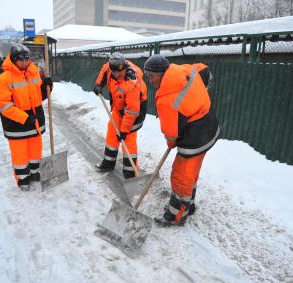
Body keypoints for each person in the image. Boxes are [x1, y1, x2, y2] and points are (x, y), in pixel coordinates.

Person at [143, 54, 220, 226]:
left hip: (196, 137)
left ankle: (175, 216)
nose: (150, 80)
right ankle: (189, 206)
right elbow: (203, 68)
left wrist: (171, 143)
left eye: (152, 76)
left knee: (181, 175)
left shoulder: (166, 99)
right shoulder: (181, 69)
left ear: (162, 73)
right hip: (209, 125)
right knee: (190, 172)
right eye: (147, 76)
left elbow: (171, 135)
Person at [0, 44, 53, 191]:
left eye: (26, 59)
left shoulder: (34, 73)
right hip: (17, 126)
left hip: (34, 123)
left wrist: (47, 87)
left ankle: (35, 174)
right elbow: (4, 105)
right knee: (20, 155)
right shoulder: (4, 79)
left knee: (35, 152)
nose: (24, 62)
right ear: (13, 60)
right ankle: (23, 179)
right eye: (20, 59)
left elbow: (39, 97)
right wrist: (24, 118)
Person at [93, 52, 147, 179]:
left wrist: (124, 130)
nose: (119, 74)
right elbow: (104, 70)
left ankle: (130, 173)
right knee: (112, 134)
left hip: (135, 112)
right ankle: (108, 163)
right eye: (116, 72)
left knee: (128, 140)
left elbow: (132, 111)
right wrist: (99, 84)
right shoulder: (110, 67)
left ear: (124, 66)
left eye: (121, 72)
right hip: (118, 107)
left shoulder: (131, 83)